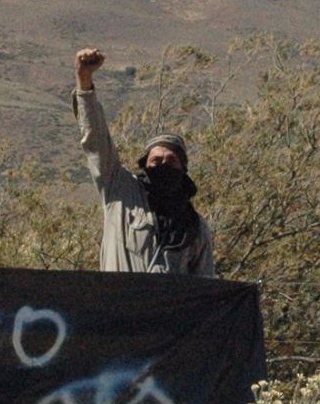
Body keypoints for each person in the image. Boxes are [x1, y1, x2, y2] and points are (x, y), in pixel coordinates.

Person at [72, 48, 214, 277]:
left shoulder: (194, 226)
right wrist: (84, 80)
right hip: (119, 308)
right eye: (156, 160)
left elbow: (205, 286)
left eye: (171, 160)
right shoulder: (120, 191)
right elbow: (96, 142)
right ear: (145, 164)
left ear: (183, 168)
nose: (163, 165)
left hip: (166, 313)